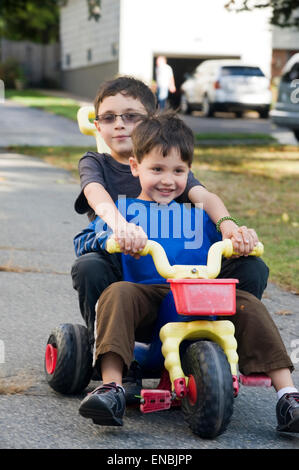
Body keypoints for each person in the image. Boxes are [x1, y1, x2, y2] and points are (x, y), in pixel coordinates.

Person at [76, 112, 298, 432]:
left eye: (178, 170)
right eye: (157, 169)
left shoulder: (197, 214)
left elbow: (227, 239)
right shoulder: (123, 211)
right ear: (136, 167)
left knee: (247, 303)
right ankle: (112, 386)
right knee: (117, 293)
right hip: (149, 293)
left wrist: (240, 240)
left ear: (189, 172)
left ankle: (288, 396)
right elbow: (85, 240)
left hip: (199, 292)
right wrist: (114, 237)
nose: (168, 180)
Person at [71, 75, 269, 401]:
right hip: (124, 258)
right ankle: (111, 354)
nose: (120, 125)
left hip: (180, 263)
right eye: (108, 118)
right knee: (90, 267)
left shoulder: (169, 162)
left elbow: (205, 197)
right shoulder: (98, 162)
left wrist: (228, 226)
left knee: (252, 268)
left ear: (151, 121)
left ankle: (228, 347)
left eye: (131, 117)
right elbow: (96, 195)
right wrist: (120, 226)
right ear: (97, 125)